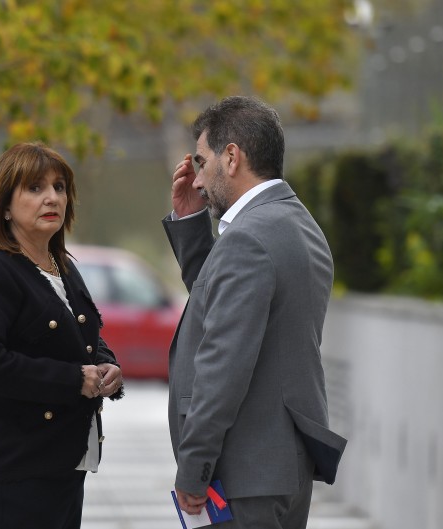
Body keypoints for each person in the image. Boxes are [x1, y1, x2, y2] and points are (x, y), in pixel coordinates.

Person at [161, 96, 346, 529]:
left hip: (245, 475)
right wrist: (190, 224)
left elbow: (223, 364)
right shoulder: (296, 223)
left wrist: (194, 466)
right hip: (277, 470)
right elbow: (224, 303)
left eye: (202, 162)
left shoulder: (249, 238)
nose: (197, 180)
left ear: (231, 157)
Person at [0, 142, 124, 529]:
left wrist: (105, 364)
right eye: (35, 188)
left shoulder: (62, 265)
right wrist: (72, 380)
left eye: (59, 187)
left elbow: (81, 335)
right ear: (5, 205)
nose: (52, 197)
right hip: (16, 469)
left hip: (63, 463)